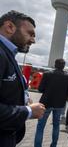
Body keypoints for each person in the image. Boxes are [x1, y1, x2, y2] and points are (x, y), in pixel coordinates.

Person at [0, 10, 45, 147]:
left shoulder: (8, 53)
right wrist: (29, 111)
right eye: (30, 34)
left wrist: (23, 98)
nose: (33, 40)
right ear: (10, 27)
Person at [34, 59, 68, 147]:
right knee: (56, 125)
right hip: (59, 104)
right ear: (64, 66)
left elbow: (40, 89)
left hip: (45, 103)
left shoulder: (47, 74)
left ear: (55, 65)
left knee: (40, 126)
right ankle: (53, 145)